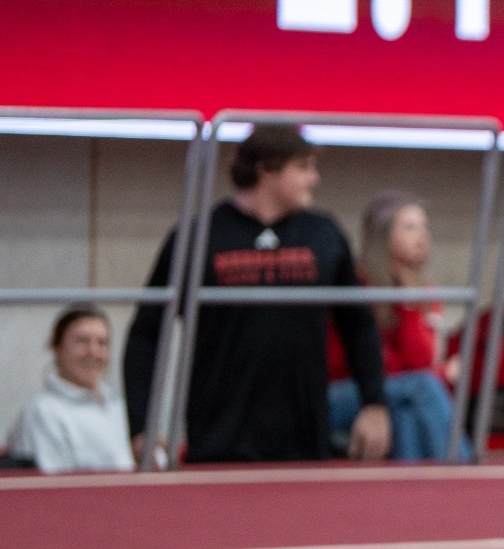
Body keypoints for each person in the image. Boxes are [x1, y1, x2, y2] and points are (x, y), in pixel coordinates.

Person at [124, 125, 389, 462]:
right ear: (267, 169)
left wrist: (375, 403)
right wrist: (140, 424)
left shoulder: (324, 234)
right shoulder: (200, 236)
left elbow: (359, 325)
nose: (314, 179)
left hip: (304, 440)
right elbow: (147, 332)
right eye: (303, 167)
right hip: (219, 440)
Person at [327, 191, 459, 460]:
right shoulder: (359, 287)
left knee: (406, 414)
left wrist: (408, 301)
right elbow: (357, 363)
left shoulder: (424, 293)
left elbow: (417, 360)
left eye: (424, 227)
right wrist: (441, 372)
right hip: (343, 393)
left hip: (397, 395)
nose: (422, 237)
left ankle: (414, 497)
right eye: (410, 227)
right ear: (383, 236)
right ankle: (464, 474)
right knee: (423, 388)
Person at [4, 305, 135, 473]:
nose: (93, 351)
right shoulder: (43, 411)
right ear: (57, 347)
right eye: (82, 341)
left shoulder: (116, 405)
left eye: (102, 343)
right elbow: (54, 485)